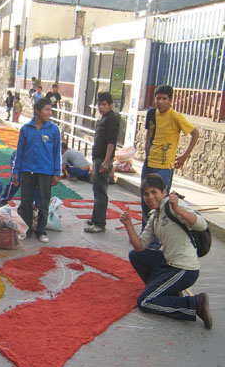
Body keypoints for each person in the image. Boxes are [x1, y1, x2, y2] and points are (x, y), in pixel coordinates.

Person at [119, 173, 212, 329]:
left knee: (145, 301)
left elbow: (202, 225)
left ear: (164, 191)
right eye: (146, 194)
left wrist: (179, 210)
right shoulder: (155, 215)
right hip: (169, 262)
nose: (150, 197)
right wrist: (128, 224)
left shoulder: (173, 205)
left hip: (184, 268)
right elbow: (140, 246)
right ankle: (164, 292)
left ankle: (194, 303)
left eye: (154, 192)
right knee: (136, 255)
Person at [141, 84, 199, 228]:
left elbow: (195, 133)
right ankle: (145, 235)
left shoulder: (176, 117)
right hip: (149, 163)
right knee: (145, 200)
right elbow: (149, 131)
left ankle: (155, 240)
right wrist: (147, 147)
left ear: (170, 100)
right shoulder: (151, 114)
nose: (160, 101)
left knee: (158, 203)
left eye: (164, 98)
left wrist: (185, 156)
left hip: (164, 167)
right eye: (158, 98)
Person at [12, 98, 61, 243]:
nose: (49, 113)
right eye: (47, 110)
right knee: (26, 201)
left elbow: (57, 152)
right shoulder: (26, 129)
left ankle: (41, 231)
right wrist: (16, 171)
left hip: (45, 171)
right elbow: (19, 152)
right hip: (27, 170)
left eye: (50, 110)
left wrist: (56, 172)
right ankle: (26, 230)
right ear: (37, 111)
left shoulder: (53, 129)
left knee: (43, 202)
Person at [84, 91, 119, 234]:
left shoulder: (111, 119)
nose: (101, 107)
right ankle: (95, 218)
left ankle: (99, 223)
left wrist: (106, 161)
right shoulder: (104, 117)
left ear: (110, 105)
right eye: (99, 104)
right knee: (96, 189)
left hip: (103, 160)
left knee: (101, 192)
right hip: (98, 158)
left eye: (104, 104)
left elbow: (111, 143)